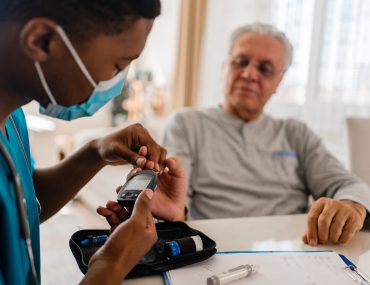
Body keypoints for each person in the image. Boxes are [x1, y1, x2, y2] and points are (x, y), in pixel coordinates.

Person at [0, 0, 186, 284]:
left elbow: (23, 202)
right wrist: (110, 264)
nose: (115, 85)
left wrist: (96, 152)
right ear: (42, 40)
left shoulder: (12, 118)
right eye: (117, 65)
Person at [163, 23, 370, 246]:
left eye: (265, 69)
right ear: (225, 66)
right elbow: (177, 202)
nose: (249, 74)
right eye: (241, 62)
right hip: (214, 248)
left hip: (292, 252)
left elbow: (351, 185)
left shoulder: (296, 133)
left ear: (278, 81)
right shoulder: (186, 124)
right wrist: (175, 215)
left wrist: (351, 206)